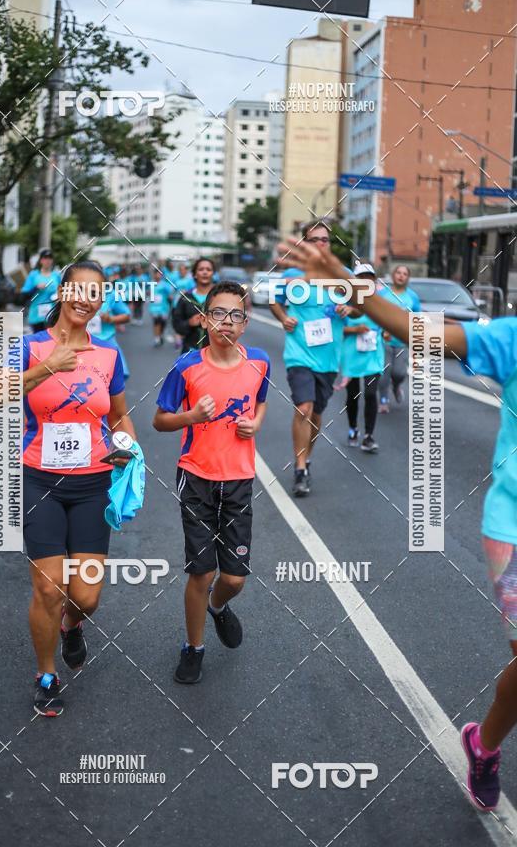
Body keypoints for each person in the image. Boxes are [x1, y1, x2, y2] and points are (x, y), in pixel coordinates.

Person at [276, 234, 517, 814]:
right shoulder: (511, 337)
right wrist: (345, 281)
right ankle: (487, 749)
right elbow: (420, 334)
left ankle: (482, 744)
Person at [11, 259, 136, 717]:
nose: (85, 298)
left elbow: (119, 415)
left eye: (95, 292)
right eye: (77, 289)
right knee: (48, 588)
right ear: (62, 294)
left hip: (92, 484)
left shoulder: (108, 354)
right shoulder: (28, 346)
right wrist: (47, 369)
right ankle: (46, 674)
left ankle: (72, 625)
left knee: (85, 596)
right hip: (39, 478)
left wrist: (128, 453)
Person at [153, 282, 270, 684]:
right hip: (196, 477)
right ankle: (194, 647)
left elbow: (262, 400)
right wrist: (191, 418)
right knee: (201, 573)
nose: (227, 322)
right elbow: (160, 419)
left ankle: (218, 608)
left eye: (236, 315)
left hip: (238, 479)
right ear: (204, 320)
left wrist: (256, 424)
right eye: (218, 314)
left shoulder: (259, 362)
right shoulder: (186, 366)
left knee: (234, 578)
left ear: (245, 322)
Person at [269, 221, 355, 497]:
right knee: (303, 408)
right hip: (299, 352)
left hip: (329, 357)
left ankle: (306, 458)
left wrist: (348, 308)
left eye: (325, 240)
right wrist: (284, 318)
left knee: (316, 414)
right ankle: (299, 467)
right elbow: (273, 299)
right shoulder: (293, 275)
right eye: (314, 239)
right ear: (305, 244)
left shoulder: (342, 276)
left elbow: (362, 307)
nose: (320, 243)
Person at [340, 263, 384, 453]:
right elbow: (335, 330)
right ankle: (352, 428)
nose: (366, 281)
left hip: (374, 355)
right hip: (351, 355)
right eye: (361, 277)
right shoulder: (344, 301)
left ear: (374, 281)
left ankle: (369, 436)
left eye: (369, 277)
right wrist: (354, 329)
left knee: (371, 393)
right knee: (353, 394)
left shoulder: (380, 303)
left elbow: (388, 323)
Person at [378, 264, 421, 413]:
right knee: (384, 371)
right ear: (393, 275)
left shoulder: (412, 297)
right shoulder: (383, 294)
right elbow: (375, 314)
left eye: (404, 273)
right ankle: (383, 400)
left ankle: (396, 386)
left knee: (399, 373)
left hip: (402, 341)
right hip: (384, 340)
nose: (401, 276)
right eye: (398, 272)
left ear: (408, 278)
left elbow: (416, 319)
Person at [171, 257, 215, 354]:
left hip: (215, 354)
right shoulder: (185, 298)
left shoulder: (220, 297)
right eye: (201, 269)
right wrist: (189, 323)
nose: (205, 272)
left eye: (208, 269)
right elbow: (176, 325)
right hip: (190, 352)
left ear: (213, 273)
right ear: (194, 274)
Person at [21, 249, 61, 333]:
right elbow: (24, 293)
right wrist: (36, 287)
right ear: (41, 260)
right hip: (36, 313)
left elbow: (61, 291)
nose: (47, 260)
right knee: (38, 340)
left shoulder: (56, 275)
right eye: (45, 258)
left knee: (50, 340)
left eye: (50, 258)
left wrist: (59, 298)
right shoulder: (34, 275)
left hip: (52, 314)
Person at [148, 268, 172, 347]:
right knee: (156, 322)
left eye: (159, 274)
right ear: (154, 274)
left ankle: (160, 334)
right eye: (156, 273)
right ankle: (157, 339)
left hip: (163, 307)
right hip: (154, 307)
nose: (158, 275)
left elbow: (170, 293)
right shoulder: (151, 283)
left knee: (163, 323)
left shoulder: (165, 284)